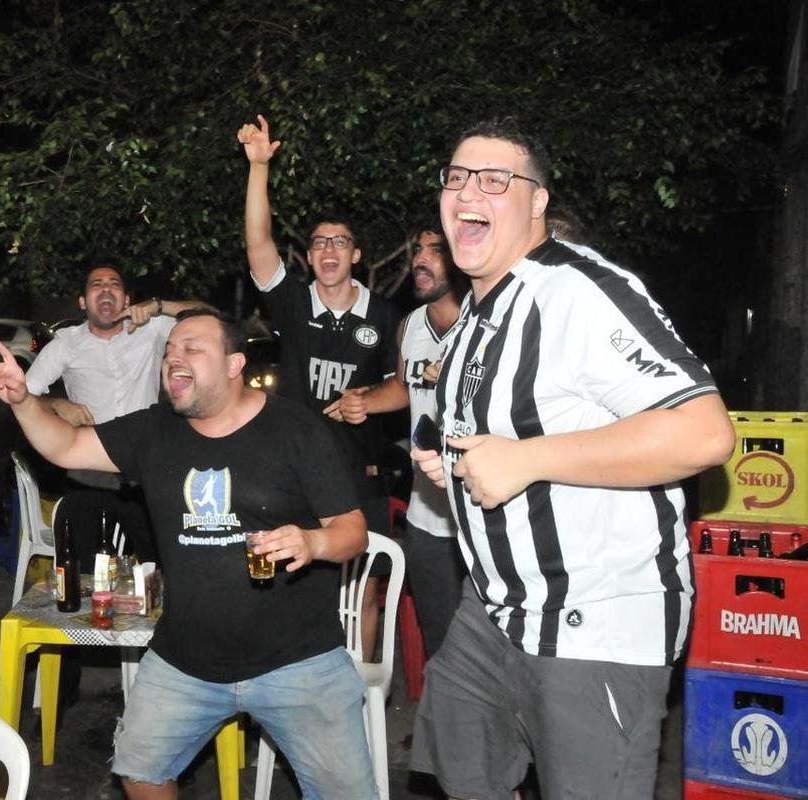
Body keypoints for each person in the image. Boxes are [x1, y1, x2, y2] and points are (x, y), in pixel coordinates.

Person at [409, 118, 735, 799]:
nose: (470, 189)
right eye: (458, 176)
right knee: (458, 773)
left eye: (497, 180)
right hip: (493, 612)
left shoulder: (580, 291)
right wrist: (459, 464)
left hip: (596, 620)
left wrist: (526, 461)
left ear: (537, 204)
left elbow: (703, 433)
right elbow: (505, 433)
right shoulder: (471, 317)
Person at [0, 309, 378, 800]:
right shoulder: (155, 431)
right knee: (140, 770)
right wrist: (23, 401)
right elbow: (65, 446)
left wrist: (312, 541)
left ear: (235, 364)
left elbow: (353, 532)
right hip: (184, 659)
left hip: (297, 660)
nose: (174, 357)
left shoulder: (296, 428)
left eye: (193, 348)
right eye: (170, 350)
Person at [237, 114, 402, 656]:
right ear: (309, 258)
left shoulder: (384, 315)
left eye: (341, 242)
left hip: (361, 474)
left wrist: (368, 401)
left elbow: (404, 387)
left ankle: (358, 690)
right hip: (294, 473)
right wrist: (259, 167)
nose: (329, 250)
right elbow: (258, 241)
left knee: (366, 589)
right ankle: (288, 680)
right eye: (319, 243)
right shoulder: (291, 304)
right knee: (291, 584)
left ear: (356, 255)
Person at [332, 224, 468, 657]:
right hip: (427, 513)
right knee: (438, 631)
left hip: (479, 510)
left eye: (436, 251)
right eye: (419, 250)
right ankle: (445, 726)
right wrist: (365, 402)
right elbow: (405, 387)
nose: (421, 260)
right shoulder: (410, 325)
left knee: (486, 639)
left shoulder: (485, 322)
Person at [25, 264, 211, 565]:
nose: (106, 288)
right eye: (96, 284)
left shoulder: (152, 329)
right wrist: (58, 405)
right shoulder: (66, 343)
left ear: (126, 299)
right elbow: (22, 396)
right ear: (83, 302)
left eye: (114, 283)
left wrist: (159, 306)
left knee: (170, 563)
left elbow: (209, 318)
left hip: (146, 473)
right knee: (79, 565)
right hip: (89, 473)